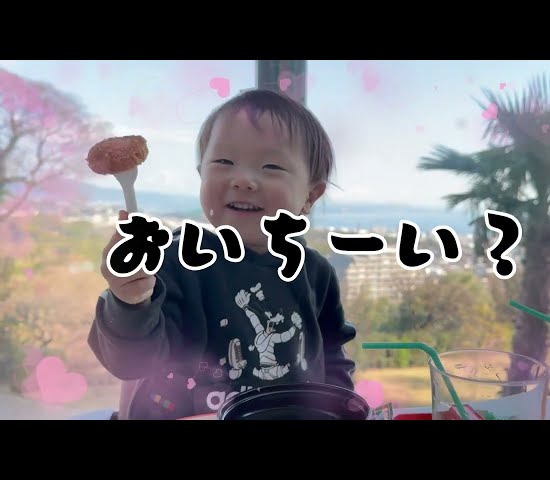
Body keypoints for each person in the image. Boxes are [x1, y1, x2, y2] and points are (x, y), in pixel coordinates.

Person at [87, 89, 357, 419]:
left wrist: (341, 409)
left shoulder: (316, 274)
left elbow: (332, 355)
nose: (243, 180)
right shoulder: (176, 260)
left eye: (271, 166)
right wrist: (130, 301)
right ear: (202, 173)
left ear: (310, 196)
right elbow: (130, 361)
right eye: (223, 162)